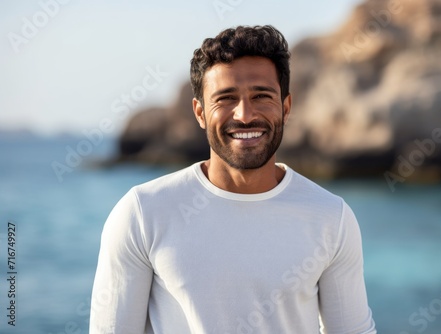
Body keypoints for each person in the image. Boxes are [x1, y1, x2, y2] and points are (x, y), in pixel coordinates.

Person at [90, 25, 376, 334]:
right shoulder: (142, 213)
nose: (244, 114)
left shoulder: (331, 217)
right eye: (226, 98)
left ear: (286, 107)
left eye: (261, 96)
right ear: (199, 113)